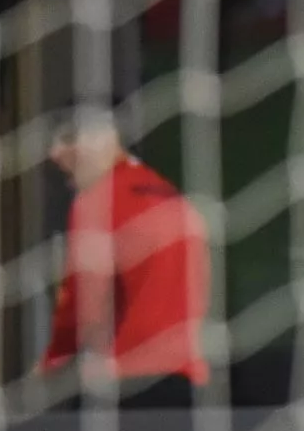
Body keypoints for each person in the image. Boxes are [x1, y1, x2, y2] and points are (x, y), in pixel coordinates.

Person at [37, 112, 209, 410]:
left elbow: (84, 301)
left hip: (125, 384)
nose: (54, 153)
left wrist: (51, 363)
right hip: (185, 381)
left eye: (67, 139)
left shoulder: (99, 200)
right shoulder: (174, 199)